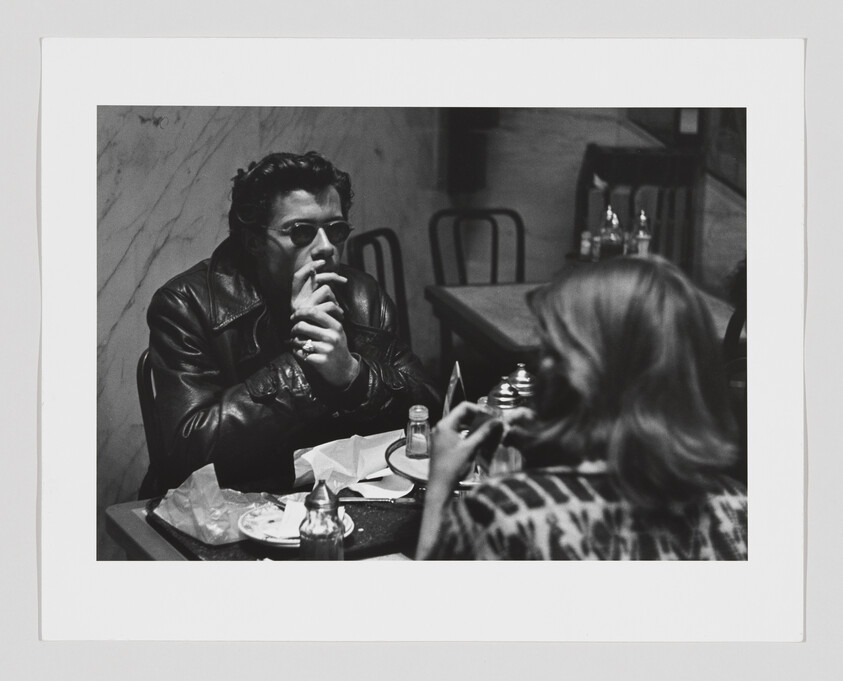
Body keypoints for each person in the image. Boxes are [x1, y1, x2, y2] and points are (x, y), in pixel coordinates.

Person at [140, 151, 440, 498]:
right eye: (302, 232)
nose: (326, 247)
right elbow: (186, 457)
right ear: (253, 241)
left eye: (336, 230)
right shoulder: (186, 304)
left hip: (339, 497)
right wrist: (303, 363)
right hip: (231, 507)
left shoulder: (362, 296)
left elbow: (427, 417)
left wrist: (352, 375)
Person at [416, 256, 747, 560]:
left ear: (571, 368)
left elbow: (427, 619)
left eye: (550, 349)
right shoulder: (741, 511)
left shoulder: (503, 514)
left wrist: (439, 488)